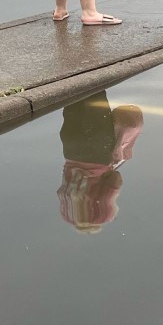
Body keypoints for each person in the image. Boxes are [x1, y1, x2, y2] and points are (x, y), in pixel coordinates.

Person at [56, 91, 143, 233]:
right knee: (73, 99)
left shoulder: (103, 214)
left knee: (96, 94)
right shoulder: (66, 212)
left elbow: (115, 180)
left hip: (97, 150)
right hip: (70, 148)